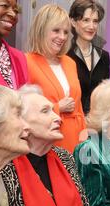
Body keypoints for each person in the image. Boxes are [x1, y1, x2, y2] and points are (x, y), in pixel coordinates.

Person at [26, 4, 86, 153]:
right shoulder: (26, 62)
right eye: (56, 31)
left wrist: (85, 133)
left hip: (76, 141)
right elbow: (23, 110)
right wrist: (57, 107)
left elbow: (78, 106)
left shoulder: (70, 62)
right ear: (42, 30)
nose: (62, 37)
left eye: (66, 32)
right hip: (47, 142)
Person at [67, 0, 110, 115]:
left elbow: (105, 95)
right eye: (86, 20)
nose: (91, 26)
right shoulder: (65, 55)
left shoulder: (104, 57)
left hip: (97, 122)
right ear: (73, 21)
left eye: (95, 21)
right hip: (72, 119)